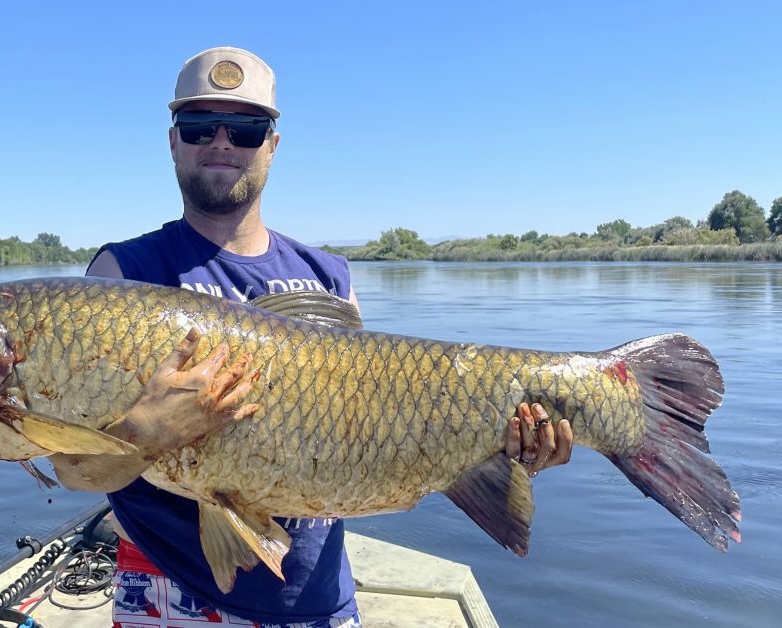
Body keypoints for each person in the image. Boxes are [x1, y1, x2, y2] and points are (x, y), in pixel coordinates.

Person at [51, 46, 573, 627]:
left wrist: (498, 449)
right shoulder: (123, 275)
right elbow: (74, 473)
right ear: (173, 140)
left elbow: (368, 430)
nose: (221, 142)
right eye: (200, 126)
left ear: (272, 145)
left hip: (316, 598)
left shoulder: (331, 276)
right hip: (167, 591)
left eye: (246, 128)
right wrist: (142, 433)